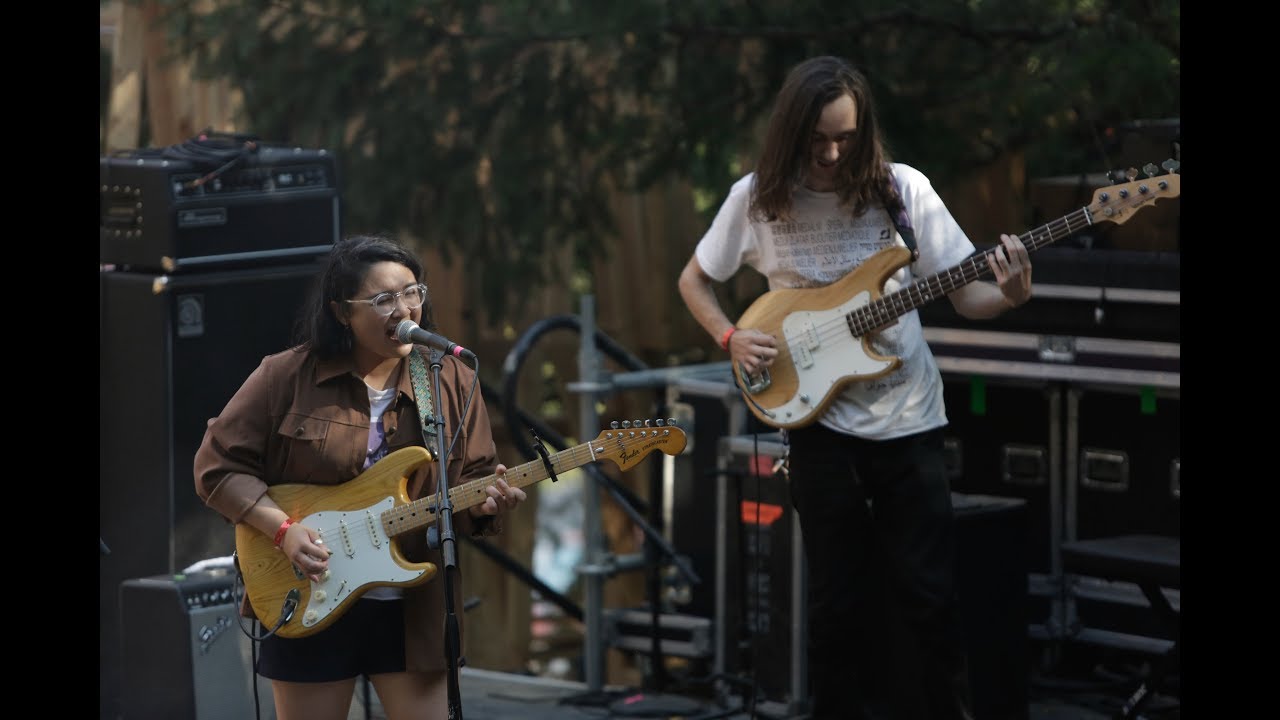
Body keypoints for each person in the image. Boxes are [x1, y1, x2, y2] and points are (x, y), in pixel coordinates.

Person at [677, 56, 1032, 720]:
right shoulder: (754, 199)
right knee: (833, 608)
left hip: (909, 416)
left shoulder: (903, 192)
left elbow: (969, 296)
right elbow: (694, 280)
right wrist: (731, 338)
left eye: (845, 137)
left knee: (930, 600)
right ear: (791, 133)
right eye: (817, 140)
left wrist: (1010, 295)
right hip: (817, 425)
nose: (832, 154)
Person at [194, 233, 528, 720]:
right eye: (383, 299)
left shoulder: (448, 377)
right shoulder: (287, 376)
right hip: (308, 588)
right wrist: (282, 531)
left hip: (412, 606)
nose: (404, 309)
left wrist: (484, 502)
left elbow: (473, 474)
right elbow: (217, 467)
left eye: (412, 292)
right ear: (340, 311)